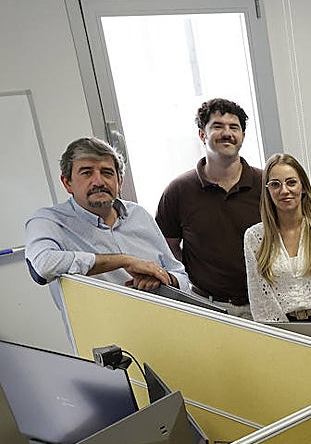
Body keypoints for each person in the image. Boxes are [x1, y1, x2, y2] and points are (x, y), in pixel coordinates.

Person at [25, 137, 188, 312]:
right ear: (67, 183)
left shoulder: (138, 215)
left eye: (107, 172)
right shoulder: (48, 221)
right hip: (103, 336)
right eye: (87, 172)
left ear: (120, 182)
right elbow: (43, 266)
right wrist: (124, 261)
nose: (99, 182)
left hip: (165, 325)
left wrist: (165, 279)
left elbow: (181, 276)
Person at [156, 98, 263, 317]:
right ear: (202, 135)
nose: (227, 133)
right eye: (217, 126)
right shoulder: (178, 190)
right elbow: (167, 247)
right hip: (207, 307)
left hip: (263, 304)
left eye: (234, 127)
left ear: (242, 136)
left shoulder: (265, 183)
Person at [243, 153, 311, 323]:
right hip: (281, 331)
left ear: (303, 187)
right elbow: (260, 298)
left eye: (291, 182)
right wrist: (284, 335)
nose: (284, 190)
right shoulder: (254, 237)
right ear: (267, 190)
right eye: (275, 184)